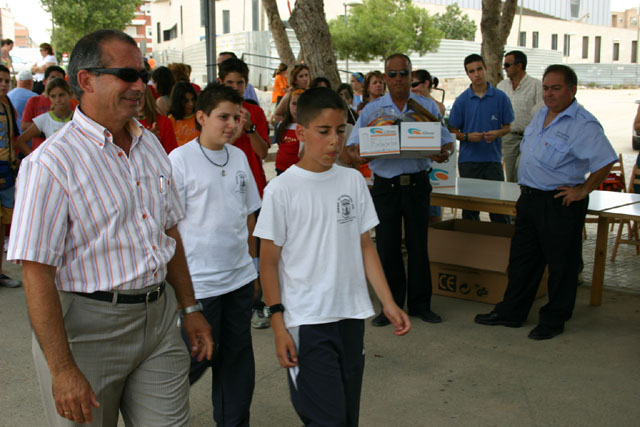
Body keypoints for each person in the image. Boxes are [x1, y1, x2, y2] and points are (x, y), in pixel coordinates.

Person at [7, 29, 213, 425]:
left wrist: (190, 308)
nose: (141, 86)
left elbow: (168, 233)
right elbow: (36, 274)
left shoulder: (149, 145)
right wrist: (63, 369)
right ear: (85, 80)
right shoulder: (49, 164)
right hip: (87, 332)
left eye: (144, 76)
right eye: (127, 75)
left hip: (158, 322)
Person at [254, 87, 411, 426]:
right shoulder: (281, 190)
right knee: (327, 419)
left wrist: (388, 301)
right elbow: (268, 263)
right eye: (324, 132)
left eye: (341, 131)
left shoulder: (352, 181)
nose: (334, 141)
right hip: (307, 322)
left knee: (347, 417)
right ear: (301, 133)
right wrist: (279, 325)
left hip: (350, 317)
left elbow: (364, 245)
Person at [474, 65, 618, 340]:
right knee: (522, 261)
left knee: (561, 266)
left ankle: (554, 319)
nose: (549, 94)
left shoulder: (583, 124)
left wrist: (583, 190)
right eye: (546, 88)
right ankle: (511, 313)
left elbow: (605, 159)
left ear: (572, 90)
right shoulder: (540, 113)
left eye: (556, 88)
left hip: (559, 203)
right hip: (529, 199)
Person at [170, 83, 260, 426]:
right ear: (201, 117)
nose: (231, 125)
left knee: (237, 363)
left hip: (238, 280)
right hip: (200, 286)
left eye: (236, 118)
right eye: (223, 117)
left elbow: (249, 213)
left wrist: (251, 266)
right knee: (194, 360)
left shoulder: (238, 156)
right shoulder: (179, 160)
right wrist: (182, 294)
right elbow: (169, 226)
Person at [347, 53, 455, 326]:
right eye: (392, 74)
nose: (398, 79)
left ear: (411, 76)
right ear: (384, 78)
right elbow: (351, 147)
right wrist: (361, 155)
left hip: (417, 184)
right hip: (386, 187)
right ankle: (390, 305)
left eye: (403, 73)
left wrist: (444, 152)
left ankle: (421, 305)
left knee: (419, 246)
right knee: (387, 246)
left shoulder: (427, 107)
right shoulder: (371, 111)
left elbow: (448, 142)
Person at [448, 54, 514, 224]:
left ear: (486, 69)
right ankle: (471, 246)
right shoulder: (461, 101)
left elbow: (508, 127)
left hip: (493, 161)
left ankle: (502, 246)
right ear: (467, 74)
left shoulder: (500, 98)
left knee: (498, 208)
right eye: (471, 71)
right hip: (468, 162)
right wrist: (468, 137)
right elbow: (452, 131)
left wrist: (497, 133)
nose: (476, 74)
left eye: (479, 69)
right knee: (470, 210)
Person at [218, 57, 269, 197]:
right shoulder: (213, 112)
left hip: (253, 183)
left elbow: (263, 153)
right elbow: (212, 151)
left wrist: (250, 128)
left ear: (246, 84)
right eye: (230, 82)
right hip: (223, 184)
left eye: (240, 83)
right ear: (220, 82)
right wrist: (235, 135)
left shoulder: (256, 112)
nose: (235, 87)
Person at [496, 50, 543, 183]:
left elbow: (543, 113)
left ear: (519, 66)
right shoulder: (501, 86)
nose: (504, 68)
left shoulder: (536, 85)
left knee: (523, 173)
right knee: (511, 177)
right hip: (509, 137)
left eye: (507, 65)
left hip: (530, 138)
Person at [14, 78, 74, 156]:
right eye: (53, 96)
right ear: (49, 98)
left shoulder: (78, 118)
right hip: (52, 165)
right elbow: (20, 142)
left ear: (70, 94)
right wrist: (37, 158)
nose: (58, 100)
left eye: (61, 95)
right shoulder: (44, 119)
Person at [0, 64, 20, 288]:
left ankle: (0, 271)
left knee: (3, 224)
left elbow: (13, 136)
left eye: (6, 80)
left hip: (6, 171)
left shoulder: (7, 107)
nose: (4, 85)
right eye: (0, 80)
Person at [137, 85, 178, 154]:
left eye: (139, 94)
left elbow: (172, 155)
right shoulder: (121, 125)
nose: (137, 98)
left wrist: (155, 142)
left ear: (147, 96)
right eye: (131, 94)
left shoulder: (164, 122)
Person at [274, 89, 303, 174]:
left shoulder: (307, 127)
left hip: (298, 171)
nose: (296, 108)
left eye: (300, 104)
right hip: (280, 169)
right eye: (294, 104)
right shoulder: (282, 125)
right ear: (288, 105)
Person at [168, 81, 199, 146]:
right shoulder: (171, 120)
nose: (191, 104)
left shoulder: (200, 117)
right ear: (178, 102)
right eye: (186, 101)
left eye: (193, 99)